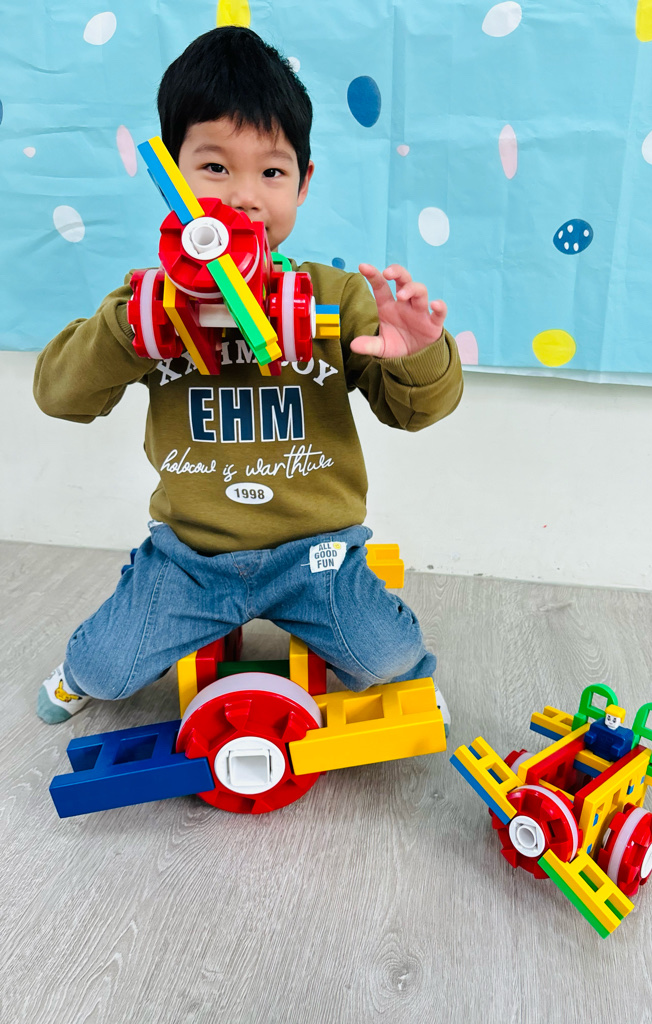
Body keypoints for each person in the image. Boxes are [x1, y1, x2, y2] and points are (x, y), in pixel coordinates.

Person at [33, 26, 463, 731]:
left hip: (315, 553)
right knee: (105, 669)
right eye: (214, 167)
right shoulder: (146, 302)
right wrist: (124, 330)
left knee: (387, 655)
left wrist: (417, 350)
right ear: (171, 174)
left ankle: (409, 672)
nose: (244, 197)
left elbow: (416, 412)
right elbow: (58, 395)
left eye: (271, 173)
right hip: (191, 558)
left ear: (304, 182)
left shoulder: (338, 297)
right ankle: (88, 659)